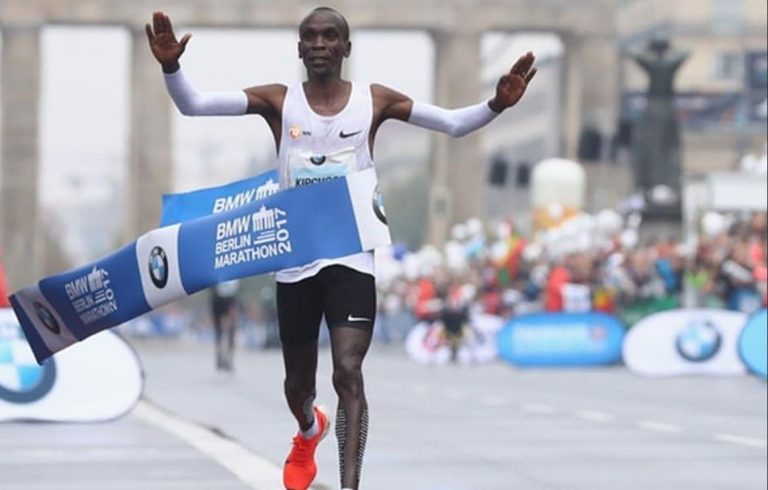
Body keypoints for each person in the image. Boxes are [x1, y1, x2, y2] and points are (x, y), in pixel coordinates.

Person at [146, 7, 535, 489]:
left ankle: (350, 484)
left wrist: (495, 105)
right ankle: (309, 430)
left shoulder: (375, 102)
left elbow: (453, 123)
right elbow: (195, 105)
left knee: (348, 370)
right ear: (299, 48)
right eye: (309, 37)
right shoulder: (279, 101)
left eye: (331, 37)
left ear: (346, 48)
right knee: (298, 387)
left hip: (351, 252)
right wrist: (170, 66)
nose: (319, 44)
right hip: (295, 258)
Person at [210, 279, 240, 371]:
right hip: (220, 298)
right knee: (220, 332)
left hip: (228, 298)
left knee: (229, 331)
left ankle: (228, 358)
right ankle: (220, 357)